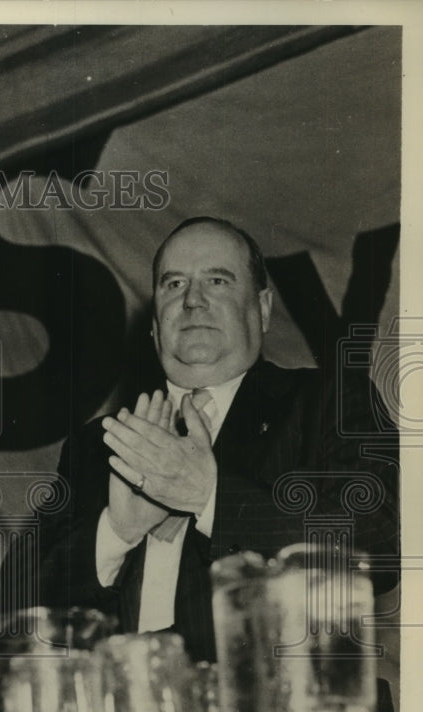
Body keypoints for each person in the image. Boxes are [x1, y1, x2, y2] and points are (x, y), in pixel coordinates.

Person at [25, 217, 399, 666]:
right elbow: (19, 606)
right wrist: (116, 533)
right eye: (173, 284)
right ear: (153, 323)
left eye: (217, 280)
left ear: (261, 308)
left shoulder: (328, 401)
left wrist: (210, 497)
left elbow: (375, 543)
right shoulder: (98, 444)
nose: (192, 300)